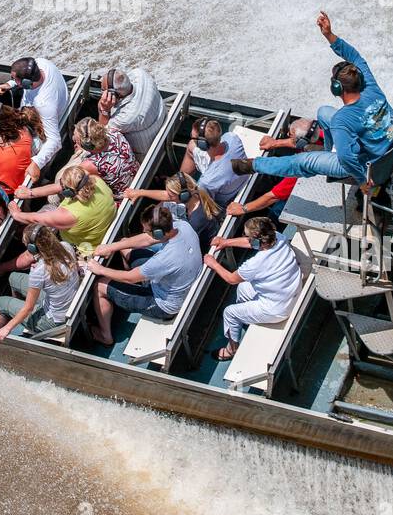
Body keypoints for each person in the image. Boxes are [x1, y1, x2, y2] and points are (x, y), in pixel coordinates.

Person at [240, 13, 393, 189]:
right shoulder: (371, 87)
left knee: (303, 161)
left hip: (369, 164)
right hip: (390, 144)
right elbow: (354, 56)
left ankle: (253, 165)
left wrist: (362, 182)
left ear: (337, 88)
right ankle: (327, 152)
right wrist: (328, 34)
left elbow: (347, 160)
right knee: (323, 112)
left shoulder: (343, 120)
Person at [87, 204, 202, 344]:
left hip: (163, 304)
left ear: (159, 233)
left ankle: (105, 336)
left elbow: (130, 278)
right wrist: (110, 247)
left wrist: (100, 269)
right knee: (124, 244)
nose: (143, 231)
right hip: (178, 285)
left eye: (146, 230)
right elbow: (147, 239)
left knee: (100, 284)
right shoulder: (183, 226)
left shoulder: (164, 260)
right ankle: (128, 291)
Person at [204, 216, 302, 361]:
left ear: (257, 240)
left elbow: (231, 279)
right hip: (291, 291)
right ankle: (242, 319)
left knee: (229, 313)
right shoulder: (279, 238)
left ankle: (232, 350)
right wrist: (225, 242)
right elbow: (251, 243)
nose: (245, 238)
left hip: (278, 309)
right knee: (243, 288)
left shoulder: (256, 263)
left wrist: (213, 263)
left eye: (247, 235)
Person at [15, 117, 137, 203]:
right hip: (134, 177)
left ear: (88, 146)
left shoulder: (91, 165)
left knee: (59, 189)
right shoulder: (113, 132)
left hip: (119, 197)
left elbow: (62, 186)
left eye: (76, 140)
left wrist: (30, 193)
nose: (73, 138)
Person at [0, 225, 82, 341]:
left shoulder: (40, 271)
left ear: (33, 248)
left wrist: (7, 329)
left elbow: (28, 308)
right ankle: (16, 315)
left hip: (53, 320)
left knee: (0, 303)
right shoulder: (66, 247)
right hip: (66, 304)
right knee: (13, 277)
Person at [226, 118, 323, 222]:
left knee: (277, 211)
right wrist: (276, 143)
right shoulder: (319, 132)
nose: (288, 136)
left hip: (314, 187)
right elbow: (302, 141)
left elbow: (273, 196)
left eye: (290, 135)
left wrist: (243, 208)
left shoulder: (303, 166)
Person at [8, 165, 115, 255]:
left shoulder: (68, 215)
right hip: (103, 230)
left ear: (69, 192)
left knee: (37, 235)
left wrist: (16, 214)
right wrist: (30, 193)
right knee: (49, 208)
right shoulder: (97, 181)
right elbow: (62, 186)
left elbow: (36, 219)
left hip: (80, 248)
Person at [0, 57, 68, 180]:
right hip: (30, 110)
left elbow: (55, 141)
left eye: (15, 79)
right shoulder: (40, 63)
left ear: (26, 83)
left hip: (41, 120)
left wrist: (36, 163)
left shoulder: (44, 104)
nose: (13, 80)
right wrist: (10, 84)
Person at [180, 121, 248, 246]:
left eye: (194, 139)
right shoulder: (232, 139)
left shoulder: (207, 182)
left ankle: (180, 184)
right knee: (191, 147)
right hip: (234, 179)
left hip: (220, 203)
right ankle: (180, 180)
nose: (193, 140)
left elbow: (207, 205)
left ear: (202, 144)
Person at [96, 67, 165, 160]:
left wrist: (104, 110)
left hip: (143, 155)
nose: (101, 93)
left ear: (116, 95)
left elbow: (102, 135)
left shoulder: (126, 118)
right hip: (160, 127)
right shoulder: (140, 74)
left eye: (103, 90)